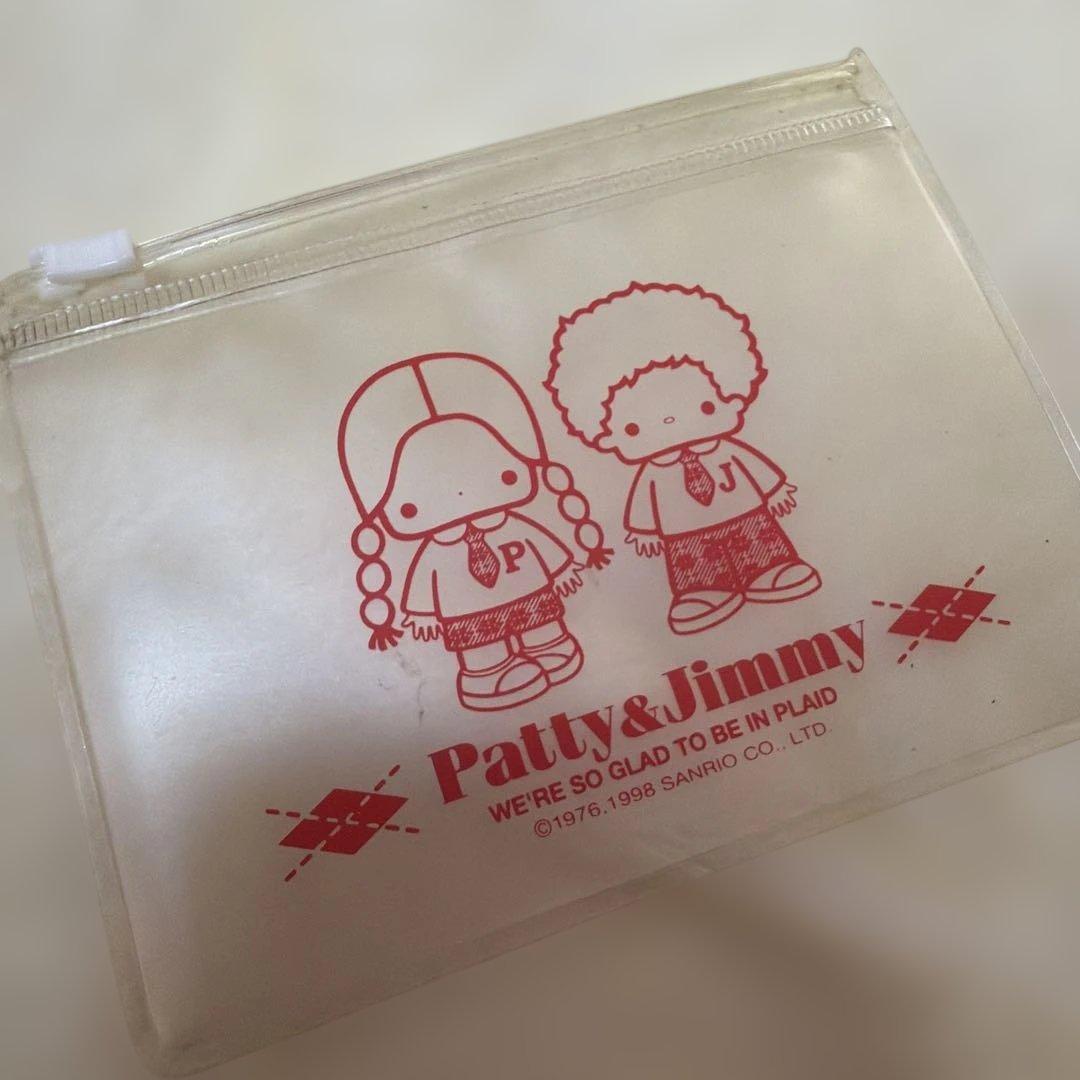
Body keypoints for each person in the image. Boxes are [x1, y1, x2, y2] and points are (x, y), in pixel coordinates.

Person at [338, 352, 611, 711]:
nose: (461, 496)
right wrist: (421, 615)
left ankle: (549, 647)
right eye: (411, 506)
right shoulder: (436, 554)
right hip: (469, 617)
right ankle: (487, 672)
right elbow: (423, 587)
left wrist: (563, 570)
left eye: (505, 476)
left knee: (543, 627)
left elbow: (545, 549)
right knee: (483, 649)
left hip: (530, 597)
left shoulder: (513, 526)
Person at [545, 281, 819, 636]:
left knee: (763, 546)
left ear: (732, 396)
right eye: (634, 427)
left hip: (749, 519)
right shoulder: (653, 473)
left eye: (704, 407)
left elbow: (756, 469)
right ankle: (704, 592)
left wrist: (774, 490)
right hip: (686, 539)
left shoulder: (726, 450)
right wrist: (645, 531)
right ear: (608, 436)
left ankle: (773, 570)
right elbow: (643, 503)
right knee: (695, 567)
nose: (671, 424)